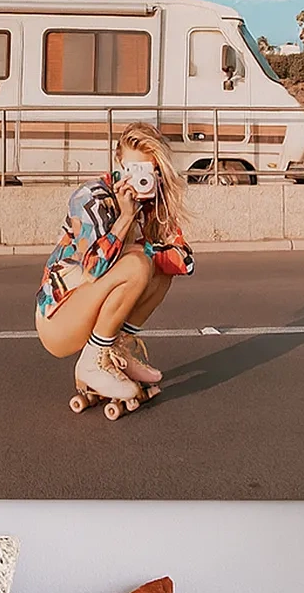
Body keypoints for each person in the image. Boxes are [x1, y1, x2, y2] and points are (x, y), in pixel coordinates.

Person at [34, 121, 195, 402]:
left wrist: (160, 240)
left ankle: (117, 350)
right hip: (59, 318)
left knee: (156, 268)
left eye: (149, 170)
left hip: (91, 303)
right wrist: (124, 218)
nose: (139, 179)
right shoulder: (90, 198)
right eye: (133, 170)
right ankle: (91, 364)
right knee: (138, 264)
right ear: (118, 162)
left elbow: (185, 261)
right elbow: (93, 268)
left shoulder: (153, 206)